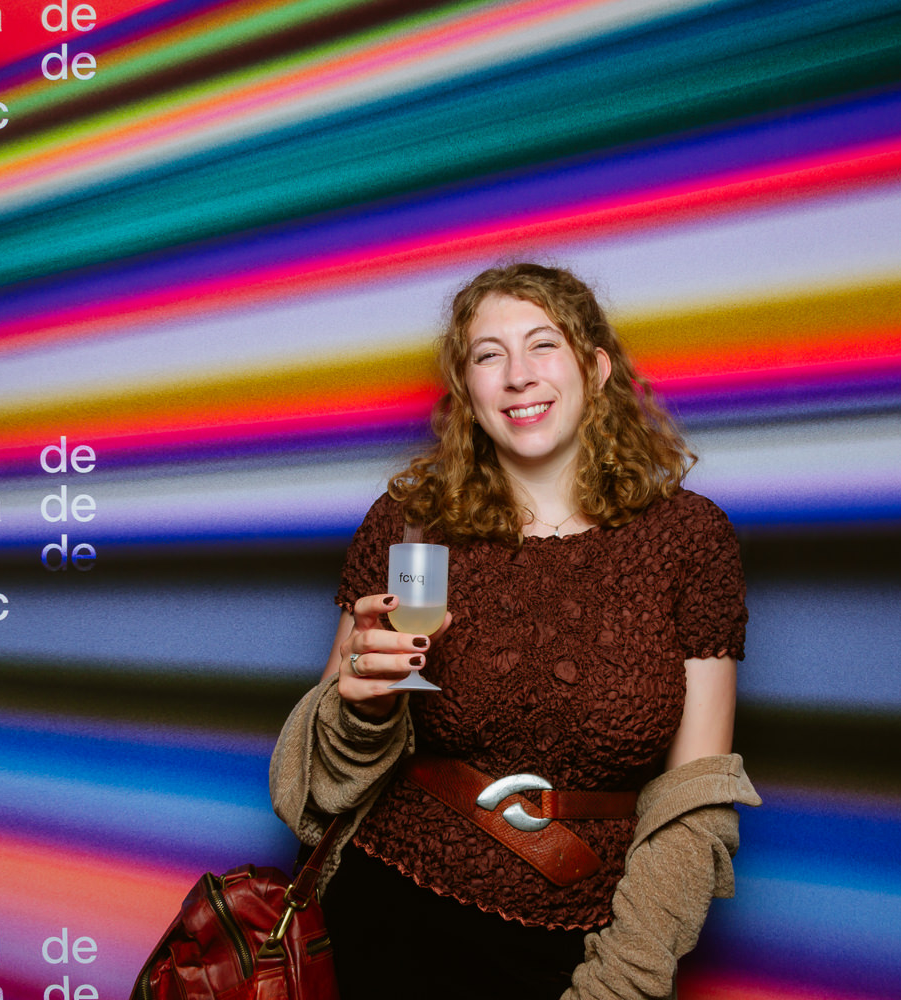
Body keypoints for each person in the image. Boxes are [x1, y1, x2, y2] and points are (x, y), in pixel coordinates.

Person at [270, 262, 758, 999]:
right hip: (391, 912)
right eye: (488, 355)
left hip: (587, 937)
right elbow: (321, 791)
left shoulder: (690, 540)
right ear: (467, 390)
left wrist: (625, 977)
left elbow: (694, 800)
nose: (518, 375)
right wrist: (361, 708)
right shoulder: (410, 525)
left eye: (543, 345)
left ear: (595, 369)